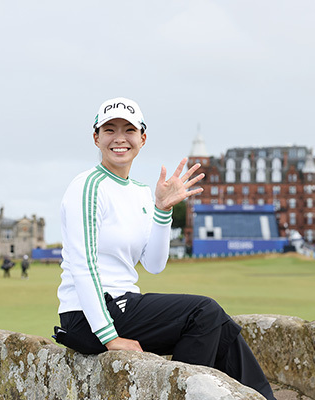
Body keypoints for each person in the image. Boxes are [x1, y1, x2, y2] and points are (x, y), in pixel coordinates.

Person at [53, 97, 276, 400]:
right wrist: (110, 337)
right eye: (109, 130)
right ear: (96, 137)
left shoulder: (141, 192)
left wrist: (162, 210)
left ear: (142, 138)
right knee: (203, 311)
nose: (120, 138)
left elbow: (154, 264)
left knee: (220, 326)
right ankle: (180, 393)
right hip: (87, 317)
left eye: (129, 130)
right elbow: (83, 264)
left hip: (121, 304)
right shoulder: (88, 186)